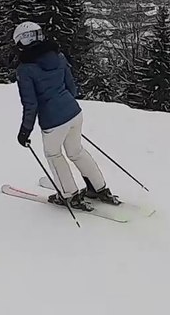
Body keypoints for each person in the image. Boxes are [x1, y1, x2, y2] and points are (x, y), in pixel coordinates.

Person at [13, 21, 120, 207]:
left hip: (53, 122)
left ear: (23, 42)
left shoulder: (25, 69)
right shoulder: (58, 56)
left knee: (53, 154)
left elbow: (31, 105)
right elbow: (71, 87)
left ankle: (69, 194)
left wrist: (25, 131)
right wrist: (65, 110)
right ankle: (99, 188)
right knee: (76, 151)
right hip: (74, 113)